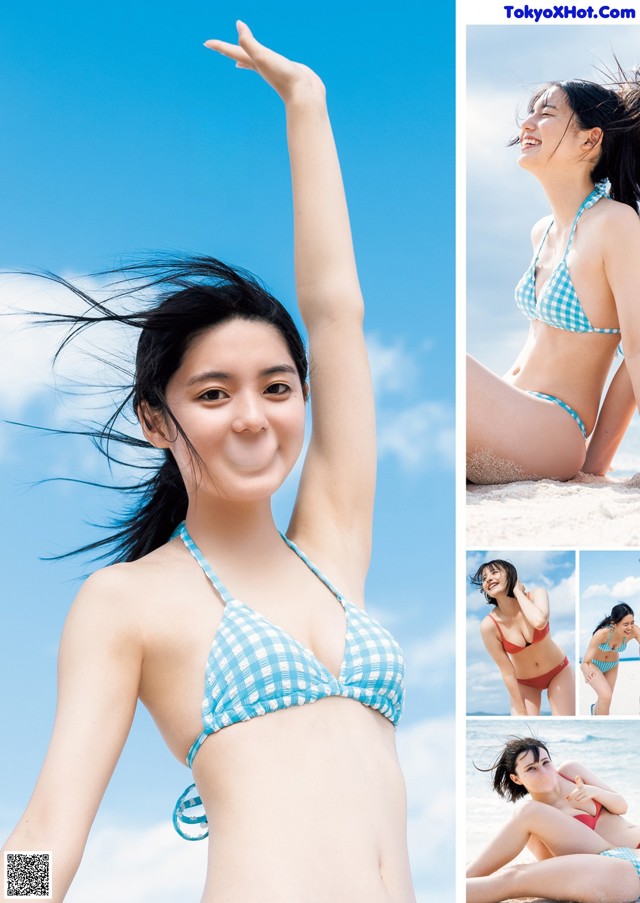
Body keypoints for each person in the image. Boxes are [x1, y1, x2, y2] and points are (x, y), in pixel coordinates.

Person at [0, 24, 414, 903]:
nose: (255, 417)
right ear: (157, 418)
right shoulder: (127, 602)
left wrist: (309, 106)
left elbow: (336, 311)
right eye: (214, 394)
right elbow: (43, 830)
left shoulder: (332, 543)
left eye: (277, 386)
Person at [467, 74, 640, 484]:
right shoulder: (542, 229)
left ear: (589, 140)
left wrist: (592, 466)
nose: (526, 123)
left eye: (545, 114)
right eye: (529, 113)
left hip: (553, 426)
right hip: (512, 412)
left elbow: (637, 353)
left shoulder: (616, 223)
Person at [467, 736, 640, 903]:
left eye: (545, 763)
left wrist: (595, 792)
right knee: (513, 875)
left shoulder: (571, 772)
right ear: (516, 778)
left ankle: (462, 878)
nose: (543, 772)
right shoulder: (535, 824)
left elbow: (622, 807)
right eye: (531, 768)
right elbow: (557, 869)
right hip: (615, 866)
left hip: (632, 853)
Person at [471, 559, 575, 715]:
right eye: (484, 578)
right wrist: (520, 710)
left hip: (558, 671)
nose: (488, 579)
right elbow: (506, 671)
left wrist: (518, 593)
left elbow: (539, 621)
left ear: (511, 575)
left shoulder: (537, 595)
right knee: (523, 725)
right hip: (525, 683)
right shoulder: (489, 626)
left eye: (494, 572)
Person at [581, 602, 640, 715]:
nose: (630, 627)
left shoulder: (634, 631)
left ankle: (595, 710)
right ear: (614, 624)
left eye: (632, 623)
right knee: (605, 695)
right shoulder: (602, 634)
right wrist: (587, 671)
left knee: (606, 700)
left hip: (612, 665)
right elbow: (585, 662)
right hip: (594, 664)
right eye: (625, 624)